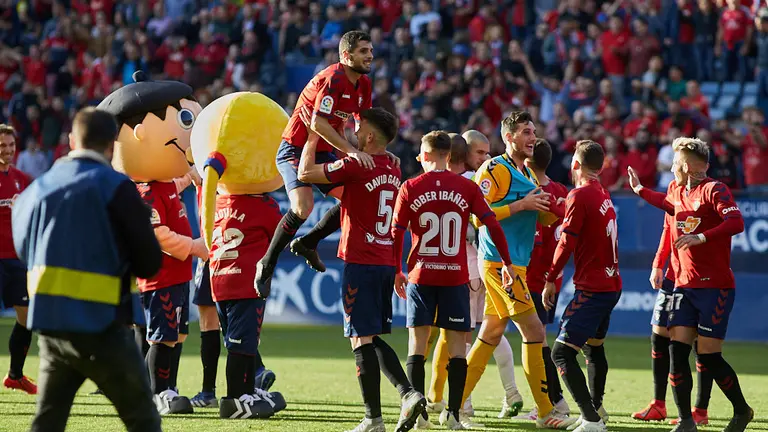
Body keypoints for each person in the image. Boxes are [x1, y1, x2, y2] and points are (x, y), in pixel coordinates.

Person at [12, 107, 163, 432]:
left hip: (51, 328)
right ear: (111, 146)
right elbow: (150, 263)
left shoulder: (35, 190)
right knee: (143, 419)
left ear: (71, 140)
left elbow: (24, 250)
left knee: (48, 422)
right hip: (103, 327)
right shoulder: (117, 188)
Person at [298, 107, 425, 432]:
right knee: (367, 336)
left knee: (359, 337)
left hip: (361, 260)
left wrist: (314, 134)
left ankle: (385, 410)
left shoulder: (356, 163)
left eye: (358, 126)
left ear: (369, 135)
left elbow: (304, 174)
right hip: (384, 261)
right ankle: (392, 405)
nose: (353, 130)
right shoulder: (393, 167)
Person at [97, 71, 208, 414]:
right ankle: (158, 392)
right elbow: (158, 236)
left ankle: (166, 388)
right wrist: (193, 246)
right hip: (159, 277)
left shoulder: (160, 185)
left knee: (175, 337)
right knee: (162, 336)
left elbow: (177, 185)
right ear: (141, 134)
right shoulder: (143, 193)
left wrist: (195, 173)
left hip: (177, 276)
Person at [392, 130, 516, 430]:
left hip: (422, 275)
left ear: (427, 155)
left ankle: (419, 415)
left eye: (421, 155)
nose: (419, 159)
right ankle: (455, 415)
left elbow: (395, 232)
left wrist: (397, 269)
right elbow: (491, 224)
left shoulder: (410, 186)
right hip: (455, 276)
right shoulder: (465, 187)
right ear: (449, 155)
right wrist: (507, 262)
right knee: (458, 348)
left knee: (417, 347)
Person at [628, 138, 754, 432]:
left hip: (715, 288)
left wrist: (702, 237)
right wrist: (639, 190)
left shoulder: (714, 189)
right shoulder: (676, 189)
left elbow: (736, 223)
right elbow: (666, 205)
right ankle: (686, 420)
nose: (671, 166)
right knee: (677, 350)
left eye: (674, 162)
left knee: (709, 357)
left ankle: (742, 410)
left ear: (684, 166)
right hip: (684, 286)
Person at [462, 111, 575, 429]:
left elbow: (541, 217)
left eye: (534, 131)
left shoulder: (523, 171)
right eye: (526, 131)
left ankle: (455, 406)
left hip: (516, 266)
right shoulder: (495, 169)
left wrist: (555, 210)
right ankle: (545, 411)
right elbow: (476, 215)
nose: (532, 137)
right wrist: (521, 206)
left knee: (490, 333)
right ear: (508, 136)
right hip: (500, 265)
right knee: (535, 331)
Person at [257, 30, 385, 296]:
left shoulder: (363, 84)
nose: (370, 56)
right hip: (295, 148)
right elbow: (318, 123)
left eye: (371, 51)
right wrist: (351, 151)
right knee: (303, 206)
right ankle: (266, 264)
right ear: (346, 55)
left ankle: (308, 242)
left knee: (354, 199)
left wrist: (379, 150)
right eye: (363, 51)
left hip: (325, 151)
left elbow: (365, 124)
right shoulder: (333, 79)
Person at [543, 140, 622, 432]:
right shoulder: (602, 192)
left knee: (561, 353)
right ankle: (596, 406)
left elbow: (567, 241)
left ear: (575, 164)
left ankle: (590, 419)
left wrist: (551, 278)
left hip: (594, 288)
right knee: (593, 348)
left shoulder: (580, 194)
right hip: (611, 283)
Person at [631, 211, 713, 425]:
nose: (675, 175)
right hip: (672, 275)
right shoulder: (674, 192)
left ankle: (700, 410)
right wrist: (658, 264)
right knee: (659, 334)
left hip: (698, 278)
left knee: (699, 342)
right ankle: (658, 404)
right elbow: (668, 229)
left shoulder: (706, 193)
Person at [524, 138, 570, 418]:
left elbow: (536, 239)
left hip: (532, 278)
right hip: (552, 278)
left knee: (535, 341)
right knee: (536, 339)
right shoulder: (560, 191)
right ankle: (551, 400)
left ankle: (554, 402)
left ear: (527, 161)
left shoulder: (533, 193)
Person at [0, 124, 36, 395]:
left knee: (26, 319)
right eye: (3, 146)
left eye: (11, 145)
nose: (8, 150)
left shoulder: (23, 179)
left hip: (17, 260)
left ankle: (15, 375)